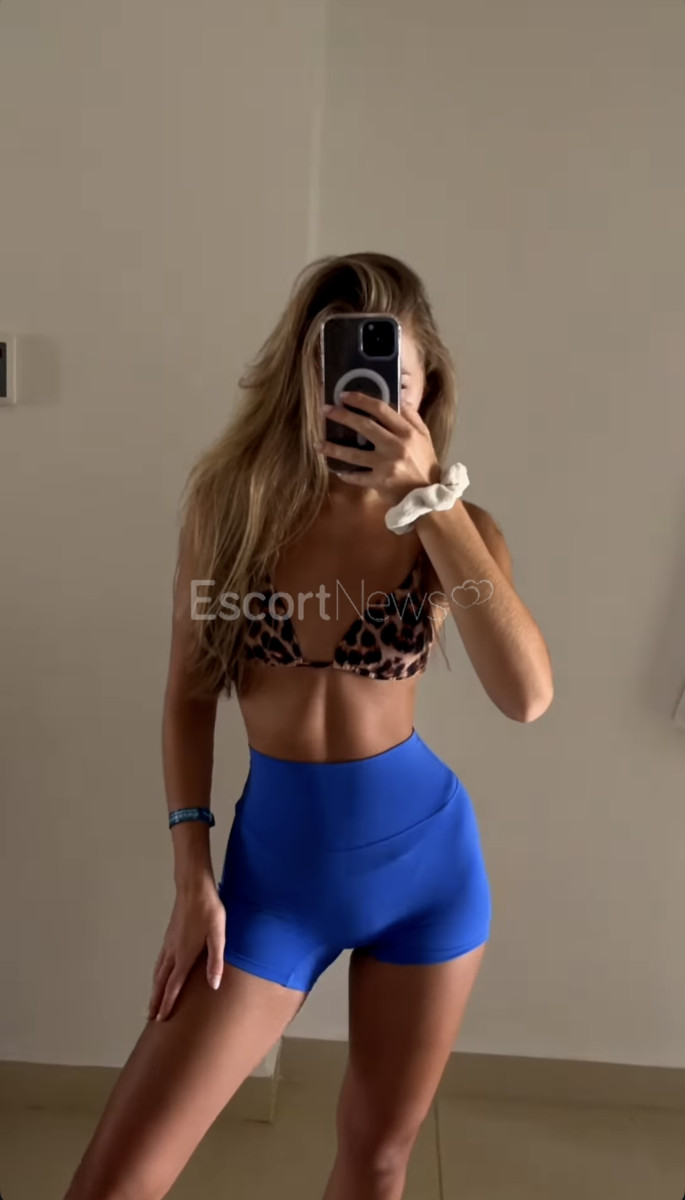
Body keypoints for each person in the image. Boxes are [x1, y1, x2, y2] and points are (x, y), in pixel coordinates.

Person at [64, 252, 553, 1200]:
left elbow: (526, 695)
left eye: (393, 377)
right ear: (306, 376)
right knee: (114, 1183)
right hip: (273, 885)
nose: (369, 395)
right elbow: (187, 695)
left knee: (378, 1159)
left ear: (426, 386)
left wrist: (433, 502)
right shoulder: (233, 507)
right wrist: (191, 876)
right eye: (345, 370)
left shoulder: (459, 533)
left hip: (427, 873)